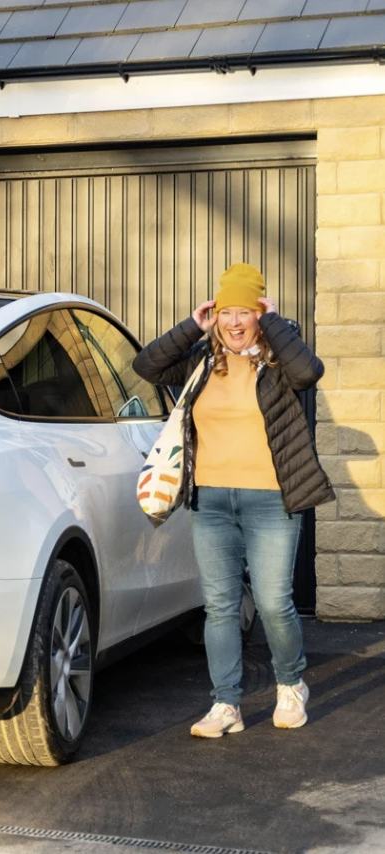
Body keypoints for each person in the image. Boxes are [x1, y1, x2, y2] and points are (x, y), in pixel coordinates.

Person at [133, 263, 334, 738]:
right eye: (228, 311)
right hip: (213, 500)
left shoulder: (280, 359)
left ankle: (290, 685)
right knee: (220, 606)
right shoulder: (202, 360)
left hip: (271, 501)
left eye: (246, 311)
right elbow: (147, 366)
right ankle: (226, 704)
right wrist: (192, 326)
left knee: (273, 603)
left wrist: (276, 324)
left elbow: (311, 373)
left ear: (260, 314)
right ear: (217, 314)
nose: (236, 321)